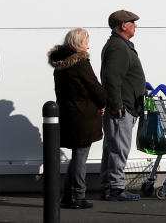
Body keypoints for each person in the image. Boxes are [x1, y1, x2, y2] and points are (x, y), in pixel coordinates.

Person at [49, 28, 106, 209]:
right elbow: (94, 86)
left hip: (68, 113)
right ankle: (78, 195)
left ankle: (68, 196)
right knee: (80, 157)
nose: (89, 43)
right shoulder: (81, 62)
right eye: (87, 39)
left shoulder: (60, 63)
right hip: (83, 114)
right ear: (79, 42)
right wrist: (104, 102)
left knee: (76, 156)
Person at [100, 9, 146, 202]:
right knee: (119, 147)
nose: (136, 25)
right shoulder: (119, 47)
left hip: (124, 105)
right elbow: (112, 78)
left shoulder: (120, 45)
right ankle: (116, 189)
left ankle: (109, 187)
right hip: (122, 107)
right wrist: (117, 104)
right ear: (123, 26)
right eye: (132, 22)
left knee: (113, 146)